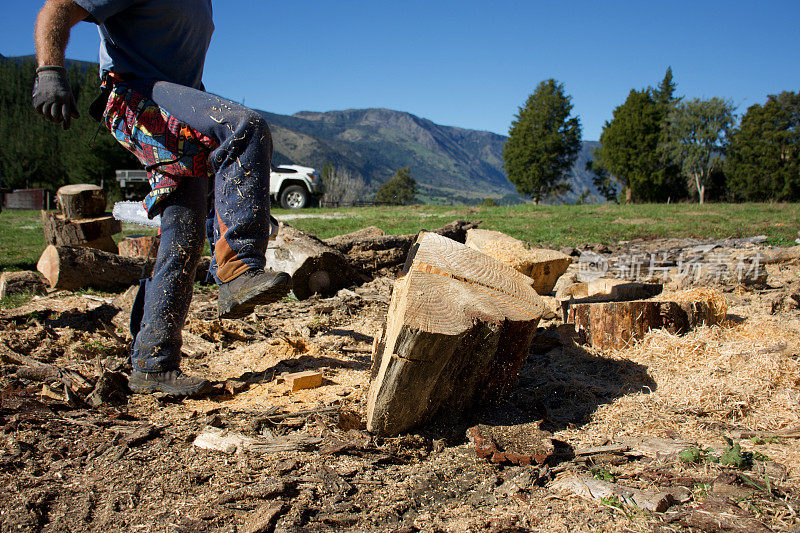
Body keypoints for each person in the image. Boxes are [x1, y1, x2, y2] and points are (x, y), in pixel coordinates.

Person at [32, 0, 292, 396]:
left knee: (183, 233)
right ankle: (239, 266)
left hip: (174, 100)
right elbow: (58, 7)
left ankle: (153, 363)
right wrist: (50, 70)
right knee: (243, 126)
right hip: (134, 93)